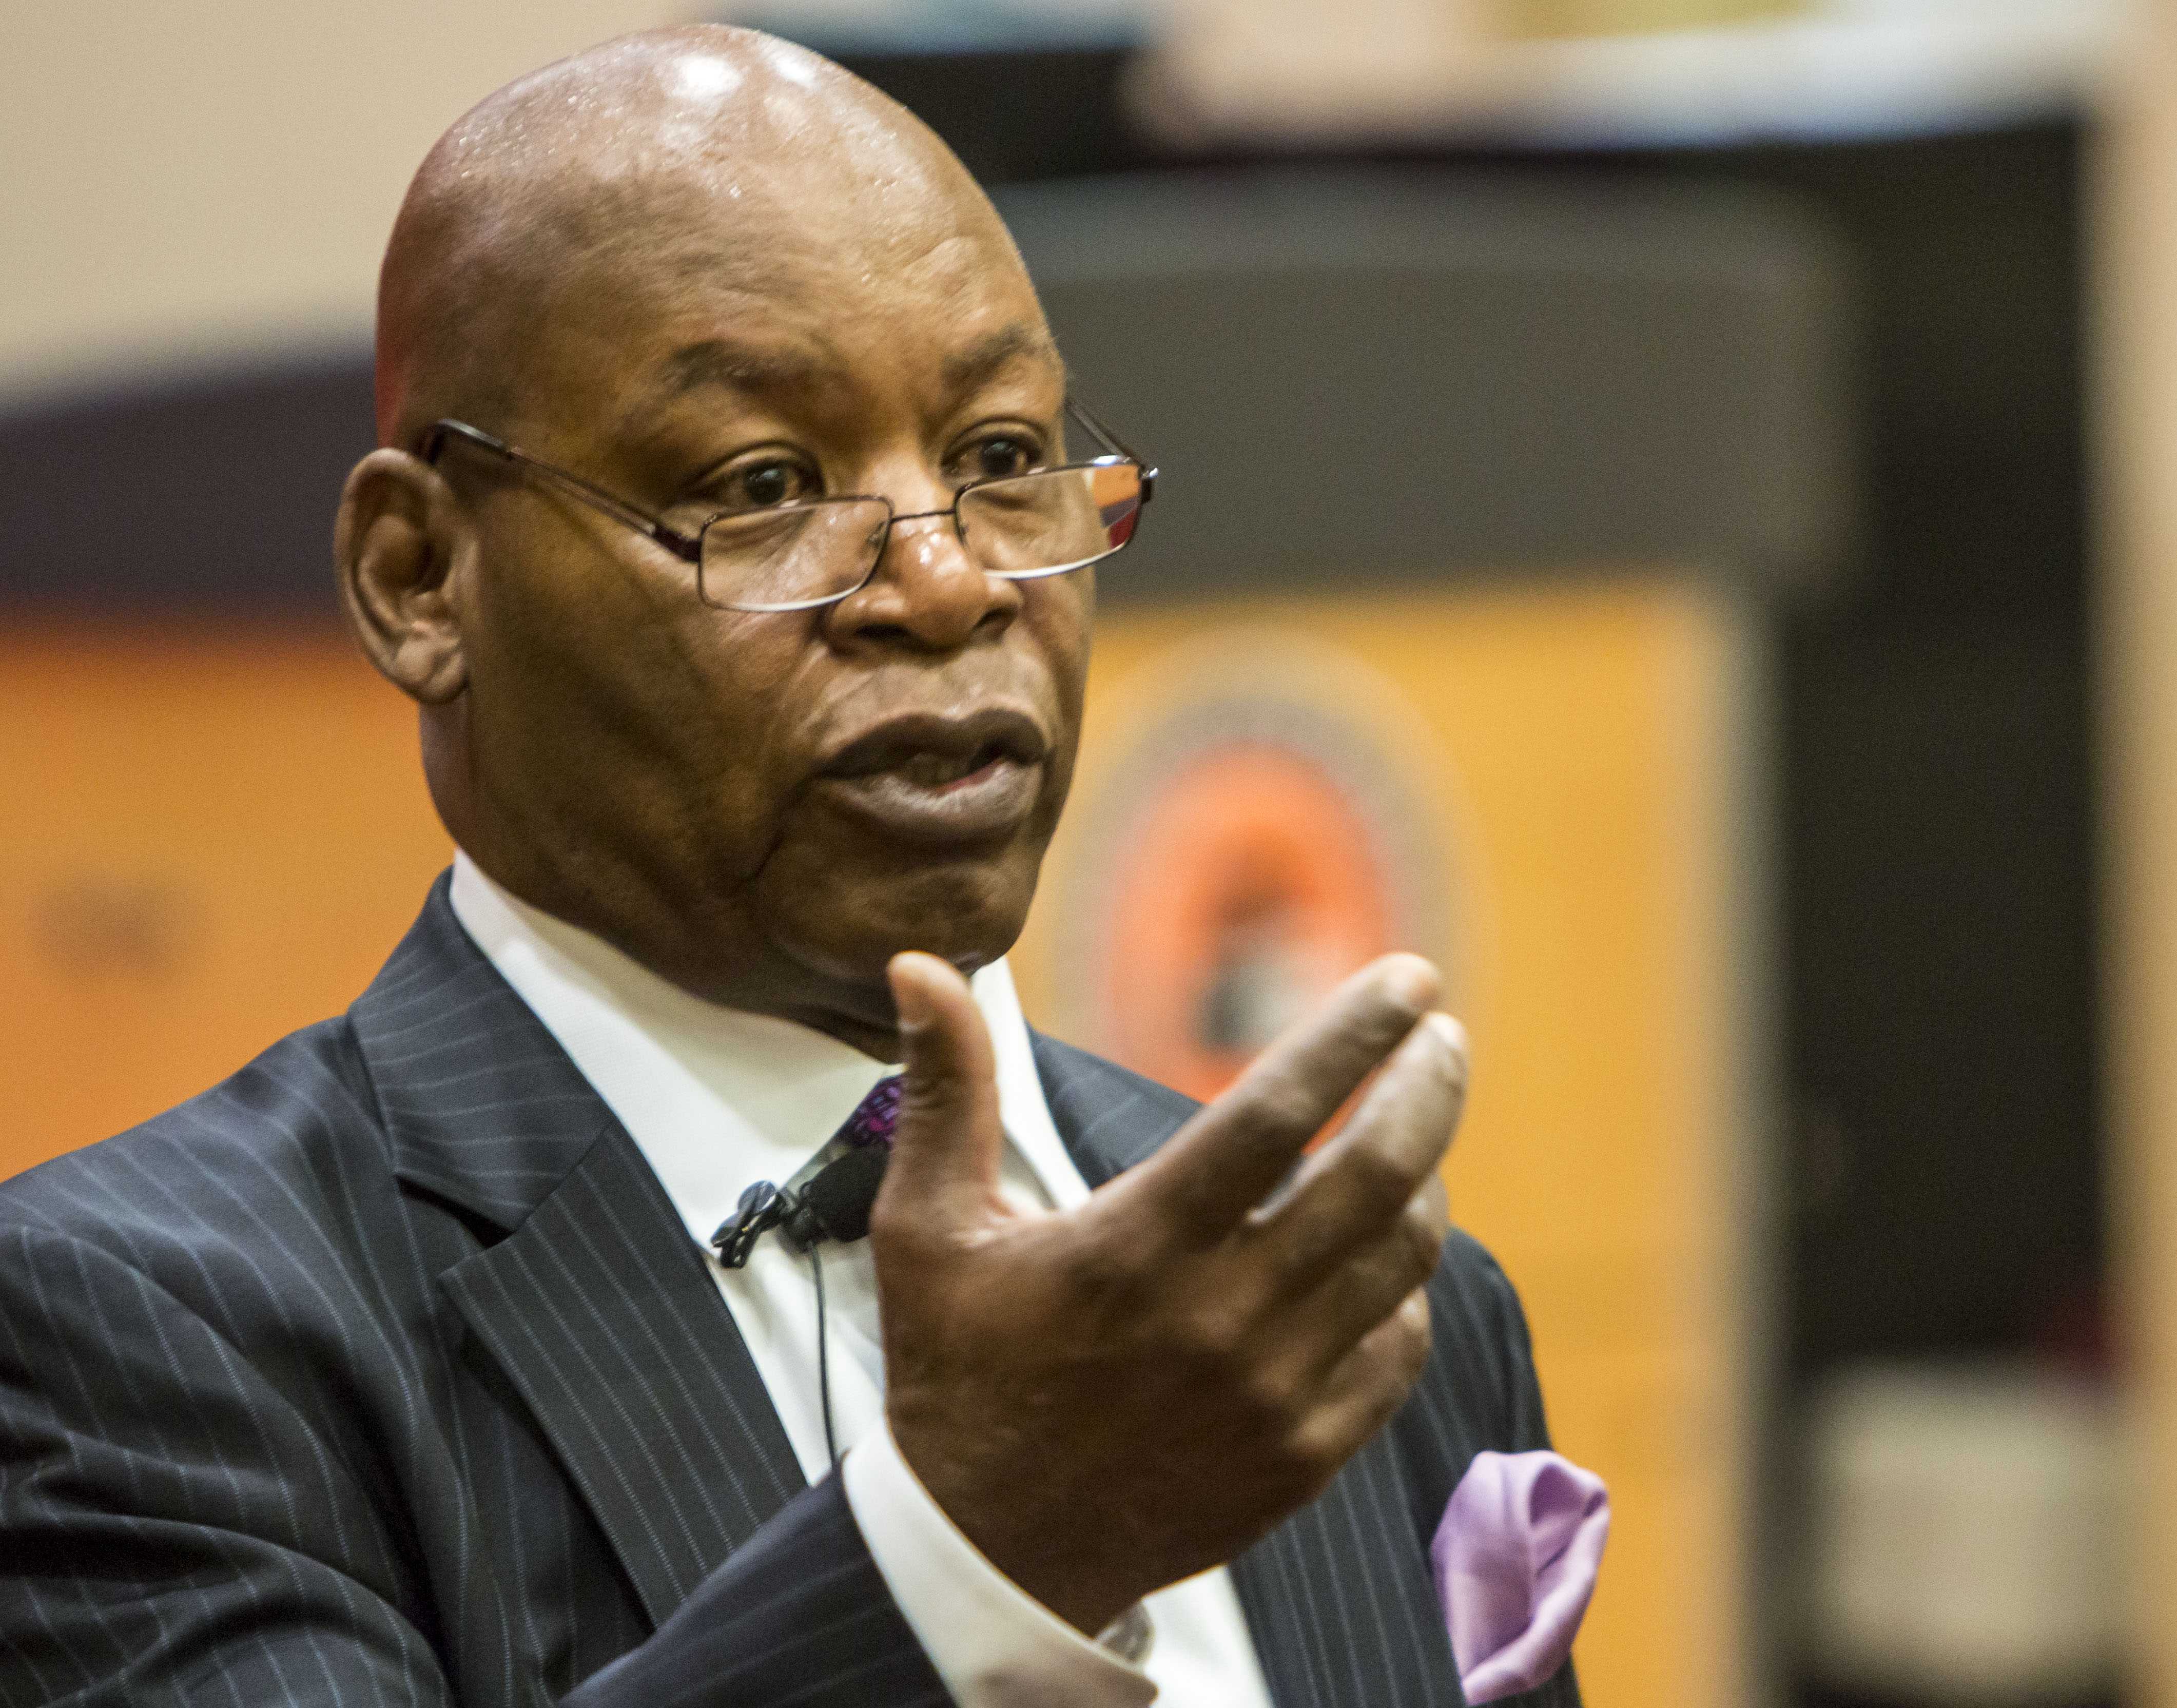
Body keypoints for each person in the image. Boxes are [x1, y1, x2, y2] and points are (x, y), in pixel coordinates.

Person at [0, 26, 1598, 1708]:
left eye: (997, 459)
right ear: (420, 581)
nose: (946, 585)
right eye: (762, 486)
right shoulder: (141, 1338)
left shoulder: (1348, 1319)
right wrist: (976, 1552)